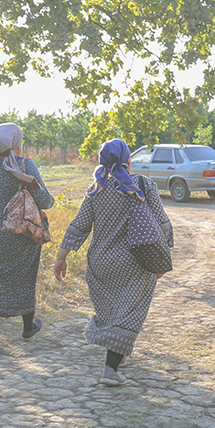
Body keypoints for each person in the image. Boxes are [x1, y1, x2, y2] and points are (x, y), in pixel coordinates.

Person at [53, 139, 173, 386]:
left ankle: (118, 353)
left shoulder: (96, 189)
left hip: (101, 263)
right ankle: (110, 368)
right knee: (128, 313)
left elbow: (79, 226)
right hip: (135, 261)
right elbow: (162, 222)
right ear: (129, 160)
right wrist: (162, 258)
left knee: (112, 310)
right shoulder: (143, 185)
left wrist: (61, 256)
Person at [0, 123, 55, 351]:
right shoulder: (25, 165)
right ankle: (28, 327)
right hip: (19, 235)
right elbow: (45, 201)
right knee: (24, 277)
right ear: (17, 142)